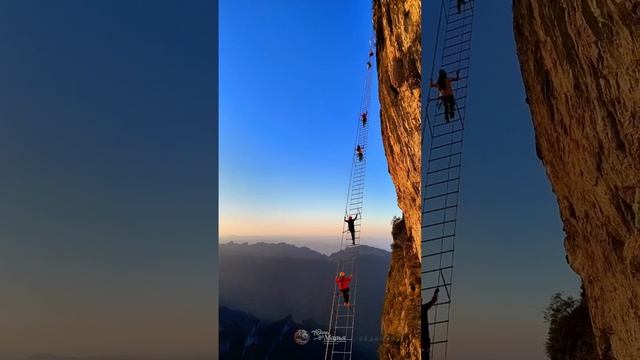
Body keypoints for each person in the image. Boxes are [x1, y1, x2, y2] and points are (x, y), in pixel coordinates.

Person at [421, 288, 440, 360]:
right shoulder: (423, 308)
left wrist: (435, 294)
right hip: (424, 339)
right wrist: (435, 294)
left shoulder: (423, 308)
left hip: (424, 339)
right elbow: (432, 301)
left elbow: (432, 301)